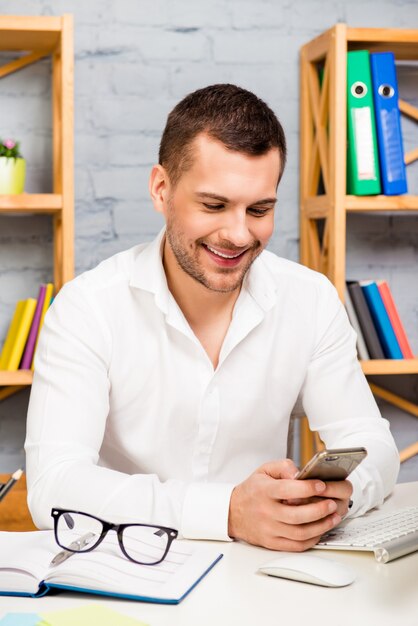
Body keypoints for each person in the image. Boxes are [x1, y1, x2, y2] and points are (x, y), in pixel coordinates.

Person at [25, 84, 399, 552]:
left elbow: (373, 445)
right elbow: (53, 487)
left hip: (267, 575)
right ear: (162, 190)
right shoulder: (88, 308)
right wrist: (228, 511)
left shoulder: (310, 300)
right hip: (128, 570)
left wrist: (335, 497)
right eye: (214, 205)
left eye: (259, 209)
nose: (239, 234)